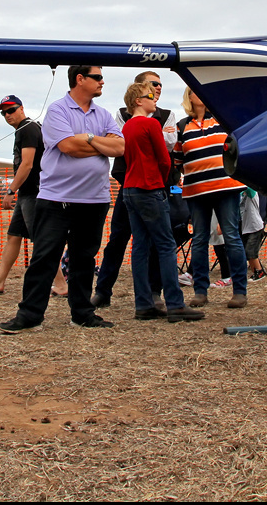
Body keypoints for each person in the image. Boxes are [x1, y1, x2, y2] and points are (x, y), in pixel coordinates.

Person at [0, 66, 124, 333]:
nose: (103, 82)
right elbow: (69, 147)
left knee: (85, 259)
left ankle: (82, 314)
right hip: (56, 199)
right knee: (44, 257)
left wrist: (89, 138)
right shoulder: (57, 110)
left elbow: (120, 148)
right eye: (98, 77)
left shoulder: (103, 114)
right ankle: (30, 316)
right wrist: (101, 144)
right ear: (80, 79)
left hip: (95, 199)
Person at [91, 70, 177, 308]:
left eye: (160, 85)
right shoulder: (122, 114)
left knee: (149, 242)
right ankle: (103, 290)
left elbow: (172, 143)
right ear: (138, 91)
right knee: (120, 238)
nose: (158, 88)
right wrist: (158, 134)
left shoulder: (167, 114)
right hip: (132, 183)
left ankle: (153, 293)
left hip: (151, 185)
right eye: (153, 85)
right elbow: (120, 142)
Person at [120, 81, 204, 322]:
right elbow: (164, 158)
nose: (154, 99)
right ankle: (176, 304)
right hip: (150, 187)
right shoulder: (151, 124)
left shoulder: (126, 128)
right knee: (166, 245)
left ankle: (143, 304)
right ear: (138, 101)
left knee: (140, 247)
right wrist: (165, 179)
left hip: (130, 188)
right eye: (150, 95)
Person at [0, 95, 67, 295]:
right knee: (14, 236)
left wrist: (10, 190)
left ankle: (61, 285)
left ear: (21, 108)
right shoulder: (26, 129)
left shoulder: (28, 129)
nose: (7, 115)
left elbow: (27, 163)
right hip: (28, 194)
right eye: (3, 112)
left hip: (34, 193)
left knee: (41, 241)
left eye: (11, 110)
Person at [175, 89, 248, 309]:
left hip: (226, 187)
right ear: (189, 97)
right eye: (195, 91)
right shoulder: (181, 127)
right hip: (196, 191)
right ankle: (200, 291)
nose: (201, 94)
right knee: (199, 240)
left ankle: (239, 291)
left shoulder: (223, 121)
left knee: (232, 237)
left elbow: (238, 147)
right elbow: (178, 159)